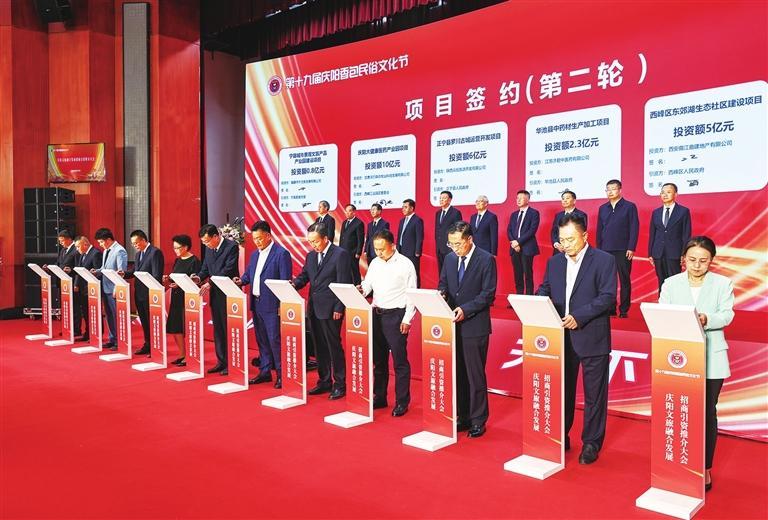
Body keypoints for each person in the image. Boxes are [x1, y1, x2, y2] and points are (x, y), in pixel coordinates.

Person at [537, 214, 617, 465]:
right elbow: (546, 288)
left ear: (585, 236)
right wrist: (538, 301)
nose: (566, 245)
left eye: (571, 239)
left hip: (591, 335)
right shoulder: (555, 262)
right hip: (560, 335)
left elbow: (607, 297)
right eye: (562, 240)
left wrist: (579, 317)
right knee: (563, 390)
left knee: (594, 394)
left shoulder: (604, 260)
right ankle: (561, 435)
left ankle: (591, 442)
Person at [659, 236, 734, 491]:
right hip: (678, 358)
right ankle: (679, 462)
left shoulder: (722, 284)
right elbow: (663, 313)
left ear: (711, 260)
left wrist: (706, 319)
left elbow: (727, 315)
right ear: (683, 259)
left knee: (706, 412)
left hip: (712, 357)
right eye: (692, 260)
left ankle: (705, 467)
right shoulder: (671, 283)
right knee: (680, 411)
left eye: (703, 261)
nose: (697, 265)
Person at [438, 221, 497, 438]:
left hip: (475, 325)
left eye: (458, 244)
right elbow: (444, 283)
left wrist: (466, 309)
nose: (454, 248)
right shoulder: (449, 258)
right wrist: (441, 294)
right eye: (451, 244)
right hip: (453, 324)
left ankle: (478, 420)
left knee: (475, 375)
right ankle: (462, 416)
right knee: (458, 374)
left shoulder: (486, 259)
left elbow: (487, 294)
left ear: (469, 239)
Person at [359, 229, 417, 417]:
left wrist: (407, 319)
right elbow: (368, 285)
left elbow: (412, 294)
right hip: (377, 314)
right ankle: (380, 396)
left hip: (396, 316)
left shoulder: (406, 264)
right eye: (376, 249)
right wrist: (362, 289)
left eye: (382, 249)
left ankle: (402, 401)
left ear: (392, 245)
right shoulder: (375, 263)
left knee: (399, 361)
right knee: (379, 360)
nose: (379, 252)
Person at [291, 222, 351, 400]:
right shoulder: (310, 256)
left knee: (333, 346)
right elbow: (305, 276)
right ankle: (324, 381)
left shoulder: (340, 254)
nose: (313, 245)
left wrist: (339, 307)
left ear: (325, 238)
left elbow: (343, 282)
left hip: (332, 309)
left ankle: (340, 384)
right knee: (319, 346)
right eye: (310, 242)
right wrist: (294, 284)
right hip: (314, 307)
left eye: (316, 241)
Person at [234, 221, 292, 388]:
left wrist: (282, 305)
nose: (257, 242)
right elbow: (250, 275)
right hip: (257, 302)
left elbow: (285, 281)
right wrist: (240, 281)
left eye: (259, 238)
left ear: (268, 236)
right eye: (254, 239)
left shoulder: (281, 254)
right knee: (262, 340)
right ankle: (265, 371)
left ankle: (282, 375)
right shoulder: (255, 255)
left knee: (275, 340)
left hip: (273, 305)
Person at [191, 224, 240, 375]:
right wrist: (198, 277)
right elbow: (206, 268)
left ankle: (232, 363)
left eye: (207, 241)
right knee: (218, 330)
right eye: (203, 242)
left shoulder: (231, 247)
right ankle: (221, 361)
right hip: (215, 295)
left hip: (228, 293)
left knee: (228, 329)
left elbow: (228, 270)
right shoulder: (209, 249)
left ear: (216, 236)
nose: (206, 244)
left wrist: (210, 283)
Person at [596, 179, 639, 318]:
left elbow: (634, 228)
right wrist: (599, 249)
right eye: (608, 189)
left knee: (624, 279)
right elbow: (599, 230)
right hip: (605, 249)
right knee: (608, 280)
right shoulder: (603, 208)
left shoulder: (629, 206)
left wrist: (631, 247)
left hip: (623, 249)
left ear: (620, 190)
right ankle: (610, 308)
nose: (610, 192)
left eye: (613, 189)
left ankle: (624, 309)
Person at [120, 230, 165, 356]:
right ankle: (148, 344)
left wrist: (153, 291)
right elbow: (135, 271)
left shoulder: (155, 252)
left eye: (136, 243)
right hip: (139, 292)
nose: (134, 246)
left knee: (152, 321)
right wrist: (124, 274)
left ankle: (156, 347)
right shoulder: (138, 254)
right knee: (144, 321)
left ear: (144, 240)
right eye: (133, 244)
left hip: (150, 293)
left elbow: (157, 275)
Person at [164, 234, 201, 366]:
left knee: (187, 327)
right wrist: (168, 279)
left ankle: (190, 355)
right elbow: (176, 277)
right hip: (176, 297)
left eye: (177, 248)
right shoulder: (177, 260)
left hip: (188, 299)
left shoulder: (194, 261)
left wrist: (179, 284)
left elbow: (196, 281)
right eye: (174, 248)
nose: (175, 250)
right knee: (175, 327)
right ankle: (182, 354)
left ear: (185, 247)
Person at [649, 182, 692, 292]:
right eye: (662, 192)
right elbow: (652, 233)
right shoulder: (656, 212)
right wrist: (650, 253)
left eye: (668, 192)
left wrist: (684, 253)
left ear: (675, 194)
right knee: (661, 281)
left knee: (675, 281)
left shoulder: (683, 211)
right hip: (658, 252)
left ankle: (675, 302)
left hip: (674, 253)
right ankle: (662, 301)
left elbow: (686, 234)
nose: (665, 195)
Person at [92, 228, 128, 350]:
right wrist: (96, 271)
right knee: (109, 315)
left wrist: (117, 287)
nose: (100, 245)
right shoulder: (106, 251)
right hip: (105, 287)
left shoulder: (119, 251)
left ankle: (119, 341)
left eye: (101, 242)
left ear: (108, 239)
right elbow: (104, 268)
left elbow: (121, 271)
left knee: (116, 315)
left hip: (114, 289)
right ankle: (112, 339)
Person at [507, 190, 540, 295]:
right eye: (517, 198)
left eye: (521, 198)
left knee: (527, 273)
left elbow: (532, 230)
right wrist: (514, 243)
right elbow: (509, 230)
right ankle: (519, 295)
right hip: (514, 248)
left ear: (527, 199)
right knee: (517, 274)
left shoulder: (534, 213)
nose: (518, 200)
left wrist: (518, 242)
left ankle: (529, 296)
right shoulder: (514, 214)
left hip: (527, 247)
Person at [72, 236, 102, 342]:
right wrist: (76, 284)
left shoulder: (95, 253)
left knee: (93, 313)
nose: (77, 249)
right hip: (83, 288)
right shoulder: (82, 254)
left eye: (78, 246)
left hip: (92, 288)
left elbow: (98, 273)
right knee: (85, 312)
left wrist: (92, 285)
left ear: (85, 244)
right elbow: (79, 270)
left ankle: (96, 334)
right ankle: (88, 333)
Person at [551, 190, 588, 255]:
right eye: (563, 199)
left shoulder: (581, 215)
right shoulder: (558, 215)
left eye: (567, 198)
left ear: (574, 201)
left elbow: (581, 232)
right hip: (559, 250)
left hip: (574, 249)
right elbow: (554, 231)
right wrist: (556, 244)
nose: (565, 200)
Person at [397, 198, 424, 286]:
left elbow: (419, 237)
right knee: (403, 272)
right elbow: (399, 236)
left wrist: (417, 251)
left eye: (405, 207)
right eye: (402, 207)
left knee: (414, 272)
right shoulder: (401, 221)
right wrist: (397, 250)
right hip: (401, 251)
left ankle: (416, 290)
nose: (403, 209)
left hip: (412, 252)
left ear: (411, 208)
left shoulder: (417, 220)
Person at [434, 190, 462, 275]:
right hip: (439, 248)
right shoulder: (438, 213)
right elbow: (438, 230)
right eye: (440, 198)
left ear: (449, 200)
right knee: (441, 272)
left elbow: (458, 231)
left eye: (444, 198)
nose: (441, 200)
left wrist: (454, 245)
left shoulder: (455, 213)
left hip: (450, 247)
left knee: (451, 271)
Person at [338, 204, 364, 285]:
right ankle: (348, 285)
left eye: (349, 211)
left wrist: (358, 252)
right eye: (346, 211)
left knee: (354, 270)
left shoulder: (358, 223)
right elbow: (342, 237)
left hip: (353, 252)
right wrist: (339, 250)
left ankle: (357, 285)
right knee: (345, 270)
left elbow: (360, 239)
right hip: (343, 251)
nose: (346, 213)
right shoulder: (344, 222)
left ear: (354, 212)